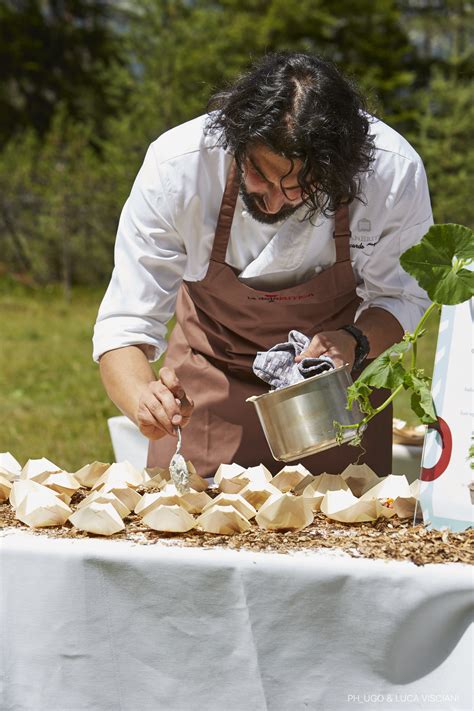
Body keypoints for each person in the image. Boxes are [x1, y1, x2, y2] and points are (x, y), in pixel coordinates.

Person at [93, 52, 432, 479]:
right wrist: (144, 398)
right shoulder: (178, 167)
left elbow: (402, 297)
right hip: (208, 389)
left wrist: (355, 341)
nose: (273, 199)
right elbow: (126, 322)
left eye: (298, 188)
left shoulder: (390, 171)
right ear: (235, 141)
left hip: (333, 397)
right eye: (259, 174)